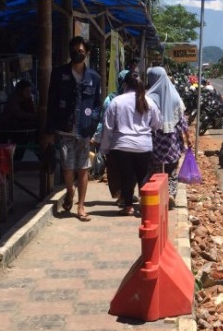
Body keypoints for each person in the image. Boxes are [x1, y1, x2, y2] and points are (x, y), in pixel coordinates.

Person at [46, 36, 102, 222]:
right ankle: (70, 192)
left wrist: (92, 123)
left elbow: (96, 105)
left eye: (80, 51)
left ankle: (81, 205)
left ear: (86, 53)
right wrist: (49, 129)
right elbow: (51, 102)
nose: (77, 54)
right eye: (74, 51)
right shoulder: (59, 73)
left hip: (84, 131)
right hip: (64, 129)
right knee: (67, 167)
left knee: (83, 168)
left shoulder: (94, 77)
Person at [100, 71, 162, 216]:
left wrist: (104, 148)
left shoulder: (116, 101)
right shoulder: (149, 101)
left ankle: (128, 207)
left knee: (126, 177)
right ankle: (146, 207)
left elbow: (107, 127)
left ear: (125, 85)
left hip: (121, 146)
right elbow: (158, 123)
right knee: (143, 177)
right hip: (144, 145)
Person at [146, 66, 192, 209]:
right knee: (172, 170)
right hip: (172, 142)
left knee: (155, 170)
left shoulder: (148, 98)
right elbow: (183, 121)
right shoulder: (175, 97)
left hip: (155, 142)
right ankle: (171, 193)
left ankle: (156, 196)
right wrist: (188, 138)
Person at [91, 69, 128, 204]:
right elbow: (103, 121)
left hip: (124, 140)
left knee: (124, 169)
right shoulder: (111, 99)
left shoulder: (132, 98)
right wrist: (98, 138)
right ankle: (120, 195)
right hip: (113, 140)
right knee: (114, 169)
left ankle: (125, 194)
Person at [0, 79, 38, 160]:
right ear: (20, 91)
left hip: (20, 127)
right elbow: (17, 114)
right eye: (26, 91)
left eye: (29, 91)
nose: (28, 93)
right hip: (9, 126)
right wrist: (34, 116)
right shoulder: (13, 99)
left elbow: (32, 111)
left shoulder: (28, 100)